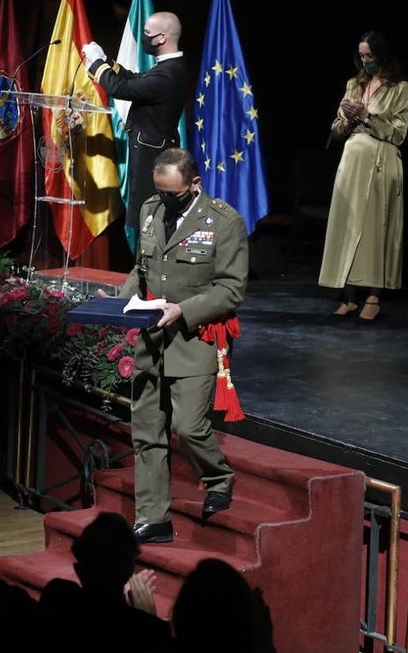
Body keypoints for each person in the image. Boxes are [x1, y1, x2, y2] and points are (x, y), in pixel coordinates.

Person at [110, 147, 248, 544]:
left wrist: (183, 310)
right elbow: (141, 268)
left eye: (174, 194)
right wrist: (122, 305)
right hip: (152, 337)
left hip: (194, 337)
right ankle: (154, 518)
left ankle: (218, 476)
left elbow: (231, 289)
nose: (165, 200)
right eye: (160, 191)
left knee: (187, 426)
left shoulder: (223, 222)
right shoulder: (151, 210)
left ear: (194, 184)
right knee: (147, 432)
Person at [318, 30, 408, 322]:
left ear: (382, 55)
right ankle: (348, 295)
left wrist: (367, 116)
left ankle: (373, 295)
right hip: (352, 161)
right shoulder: (353, 84)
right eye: (361, 55)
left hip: (380, 160)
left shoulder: (401, 88)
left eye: (370, 55)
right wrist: (348, 116)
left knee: (374, 229)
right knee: (345, 225)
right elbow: (335, 130)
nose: (365, 61)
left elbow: (398, 133)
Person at [81, 11, 190, 233]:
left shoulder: (169, 74)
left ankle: (147, 266)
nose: (144, 37)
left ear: (161, 38)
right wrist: (107, 62)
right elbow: (137, 79)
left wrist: (97, 64)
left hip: (153, 156)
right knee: (146, 216)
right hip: (151, 149)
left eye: (148, 33)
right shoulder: (169, 67)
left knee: (149, 218)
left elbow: (121, 88)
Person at [37, 511, 173, 652]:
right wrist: (148, 619)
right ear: (130, 570)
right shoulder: (146, 629)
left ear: (78, 569)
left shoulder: (57, 598)